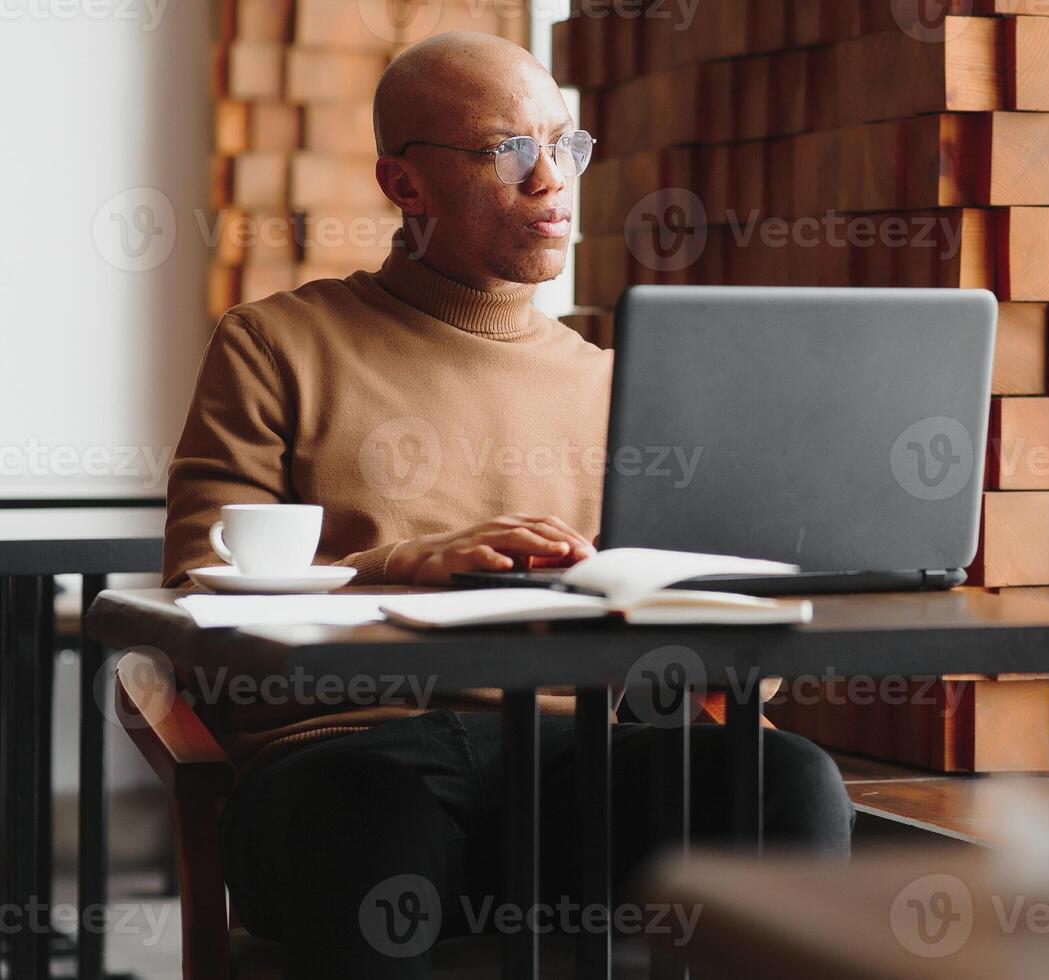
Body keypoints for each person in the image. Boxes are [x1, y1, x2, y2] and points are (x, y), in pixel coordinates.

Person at [161, 31, 852, 978]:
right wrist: (406, 562)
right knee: (366, 816)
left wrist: (720, 619)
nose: (551, 180)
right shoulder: (277, 343)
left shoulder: (620, 381)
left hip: (585, 758)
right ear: (405, 186)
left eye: (564, 144)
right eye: (507, 150)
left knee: (787, 782)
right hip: (352, 750)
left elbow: (718, 648)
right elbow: (201, 580)